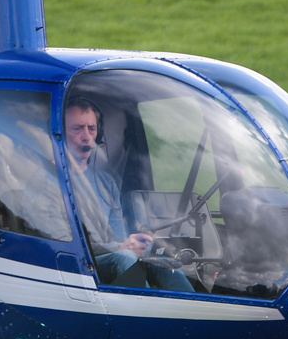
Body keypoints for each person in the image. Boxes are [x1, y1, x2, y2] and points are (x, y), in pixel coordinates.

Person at [64, 98, 194, 293]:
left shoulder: (106, 182)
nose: (86, 136)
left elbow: (118, 233)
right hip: (78, 263)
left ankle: (191, 313)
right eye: (77, 129)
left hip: (113, 253)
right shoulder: (51, 182)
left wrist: (138, 244)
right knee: (126, 257)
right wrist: (119, 247)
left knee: (161, 258)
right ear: (60, 133)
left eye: (91, 129)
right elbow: (62, 240)